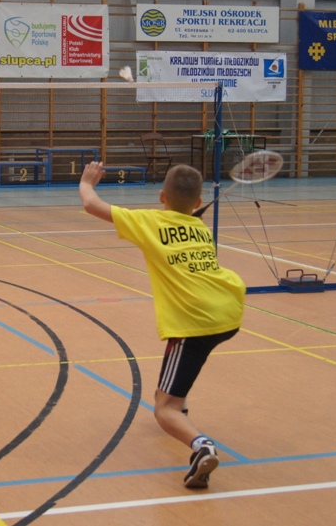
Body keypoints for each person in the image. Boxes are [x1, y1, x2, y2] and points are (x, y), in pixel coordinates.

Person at [78, 161, 245, 489]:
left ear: (161, 196)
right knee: (172, 385)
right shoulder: (201, 228)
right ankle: (180, 409)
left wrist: (87, 181)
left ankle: (201, 446)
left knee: (163, 409)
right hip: (228, 311)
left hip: (194, 321)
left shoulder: (150, 222)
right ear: (198, 203)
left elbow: (91, 205)